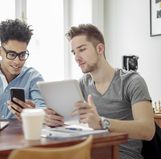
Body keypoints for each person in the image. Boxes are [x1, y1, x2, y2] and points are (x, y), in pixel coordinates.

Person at [44, 24, 155, 159]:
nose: (76, 57)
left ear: (100, 48)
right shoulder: (81, 85)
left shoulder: (132, 82)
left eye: (82, 50)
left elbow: (147, 130)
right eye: (74, 52)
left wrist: (102, 123)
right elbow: (71, 122)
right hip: (90, 153)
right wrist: (52, 120)